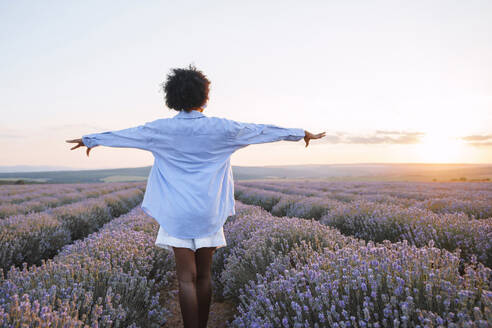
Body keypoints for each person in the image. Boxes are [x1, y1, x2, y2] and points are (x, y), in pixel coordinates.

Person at [66, 64, 325, 328]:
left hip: (176, 212)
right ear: (204, 96)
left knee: (185, 279)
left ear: (173, 98)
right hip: (208, 210)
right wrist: (300, 133)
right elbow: (260, 131)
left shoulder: (160, 129)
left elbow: (126, 135)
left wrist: (90, 139)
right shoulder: (222, 128)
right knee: (204, 276)